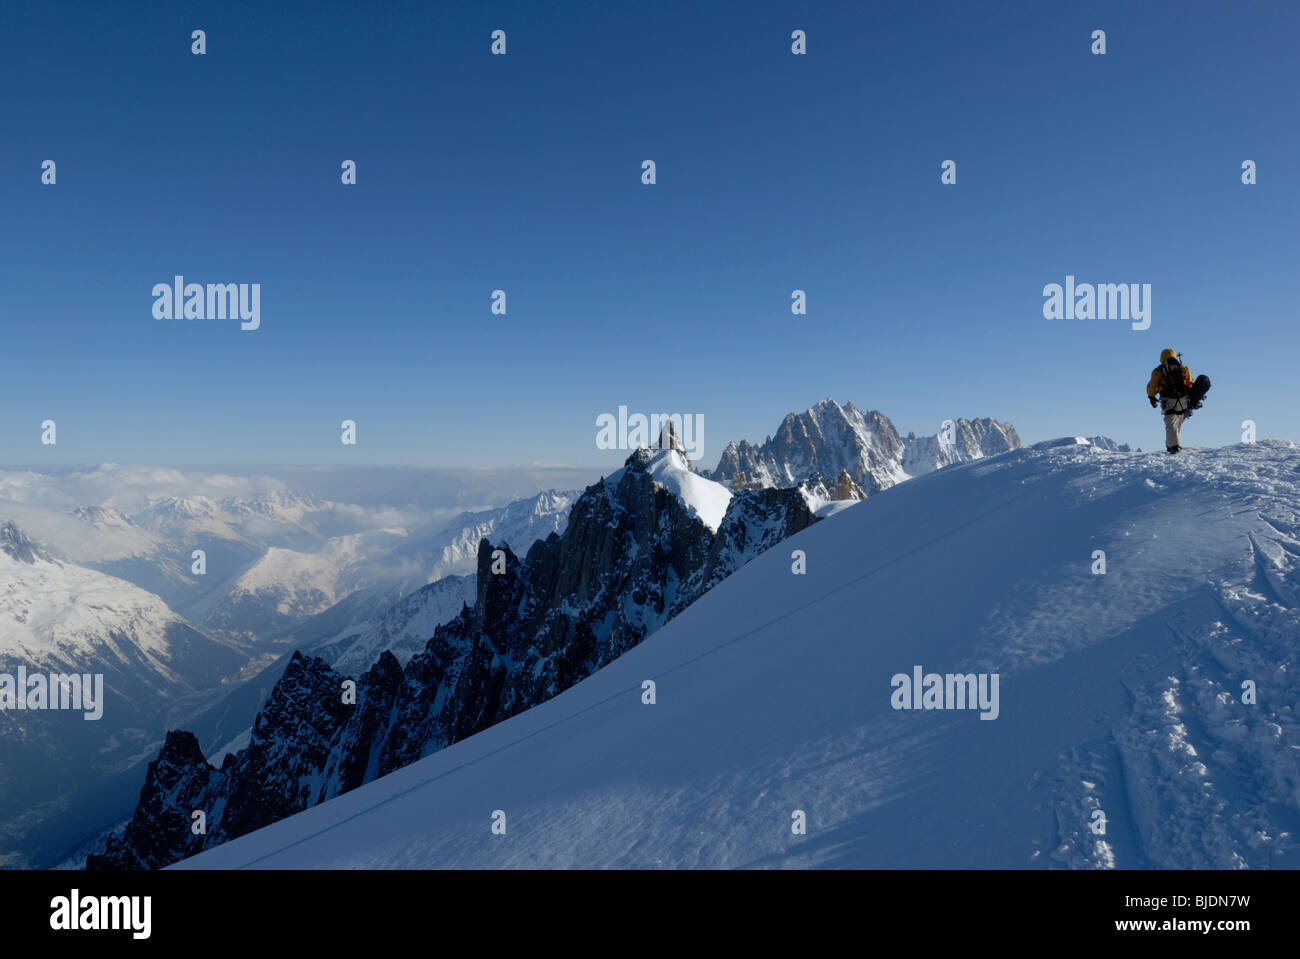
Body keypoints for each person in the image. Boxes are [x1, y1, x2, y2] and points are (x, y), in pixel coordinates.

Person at [1145, 348, 1211, 454]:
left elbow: (1152, 387)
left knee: (1170, 423)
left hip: (1169, 402)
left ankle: (1175, 448)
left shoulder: (1158, 371)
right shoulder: (1183, 368)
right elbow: (1190, 382)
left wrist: (1152, 398)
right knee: (1177, 422)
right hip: (1183, 401)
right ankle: (1171, 445)